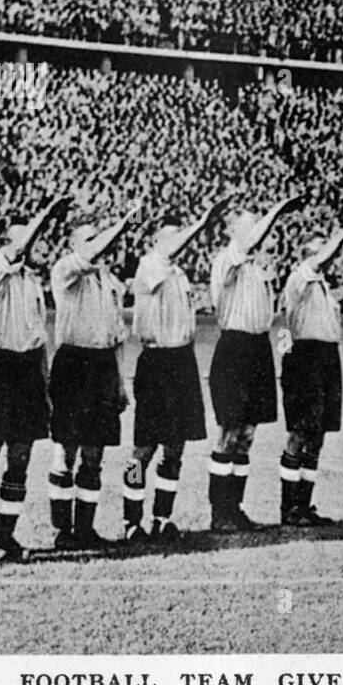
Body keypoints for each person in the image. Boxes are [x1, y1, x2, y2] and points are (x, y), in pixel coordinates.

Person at [0, 197, 71, 562]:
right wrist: (45, 215)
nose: (27, 245)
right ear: (3, 244)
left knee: (22, 456)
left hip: (27, 371)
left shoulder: (32, 280)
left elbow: (39, 335)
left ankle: (5, 536)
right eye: (19, 240)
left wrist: (45, 384)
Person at [124, 201, 225, 546]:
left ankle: (162, 518)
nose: (178, 243)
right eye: (171, 237)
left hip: (183, 363)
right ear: (155, 241)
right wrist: (201, 223)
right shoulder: (148, 266)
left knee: (175, 448)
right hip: (156, 363)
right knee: (143, 449)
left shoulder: (179, 274)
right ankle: (131, 520)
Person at [208, 196, 304, 532]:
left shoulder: (258, 269)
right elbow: (250, 243)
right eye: (249, 224)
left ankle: (236, 508)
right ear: (233, 230)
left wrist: (283, 349)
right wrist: (278, 210)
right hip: (234, 347)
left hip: (258, 349)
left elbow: (275, 319)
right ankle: (219, 512)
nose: (256, 232)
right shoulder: (227, 259)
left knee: (248, 434)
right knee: (228, 432)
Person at [278, 214, 343, 525]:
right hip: (304, 357)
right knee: (299, 433)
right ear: (307, 255)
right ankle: (289, 507)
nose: (328, 256)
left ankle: (305, 504)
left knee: (318, 434)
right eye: (320, 250)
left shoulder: (322, 287)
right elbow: (284, 330)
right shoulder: (299, 279)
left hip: (326, 358)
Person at [47, 209, 132, 549]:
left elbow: (118, 338)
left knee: (95, 453)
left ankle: (86, 528)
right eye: (89, 239)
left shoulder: (111, 283)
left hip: (103, 366)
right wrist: (126, 221)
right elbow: (89, 255)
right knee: (65, 449)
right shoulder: (65, 271)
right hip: (73, 364)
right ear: (72, 245)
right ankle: (62, 531)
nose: (99, 247)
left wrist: (120, 381)